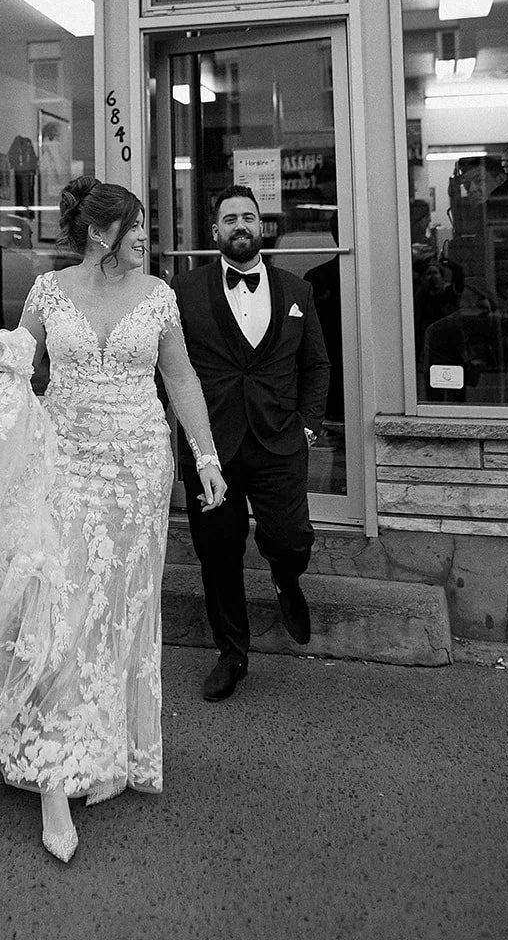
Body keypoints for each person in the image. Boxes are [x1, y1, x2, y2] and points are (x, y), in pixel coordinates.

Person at [0, 176, 225, 863]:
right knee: (58, 610)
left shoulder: (158, 296)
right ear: (102, 233)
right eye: (136, 227)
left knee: (114, 614)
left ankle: (82, 750)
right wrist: (0, 353)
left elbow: (180, 379)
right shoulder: (49, 291)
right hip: (67, 465)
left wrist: (205, 456)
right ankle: (47, 775)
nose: (145, 239)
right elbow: (20, 360)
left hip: (138, 473)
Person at [173, 185, 330, 702]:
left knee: (291, 537)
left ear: (262, 227)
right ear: (214, 231)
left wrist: (308, 425)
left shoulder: (297, 290)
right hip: (211, 447)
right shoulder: (184, 290)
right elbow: (168, 369)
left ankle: (286, 576)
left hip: (279, 441)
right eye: (229, 218)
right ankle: (232, 654)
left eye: (248, 217)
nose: (240, 225)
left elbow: (317, 365)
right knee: (218, 554)